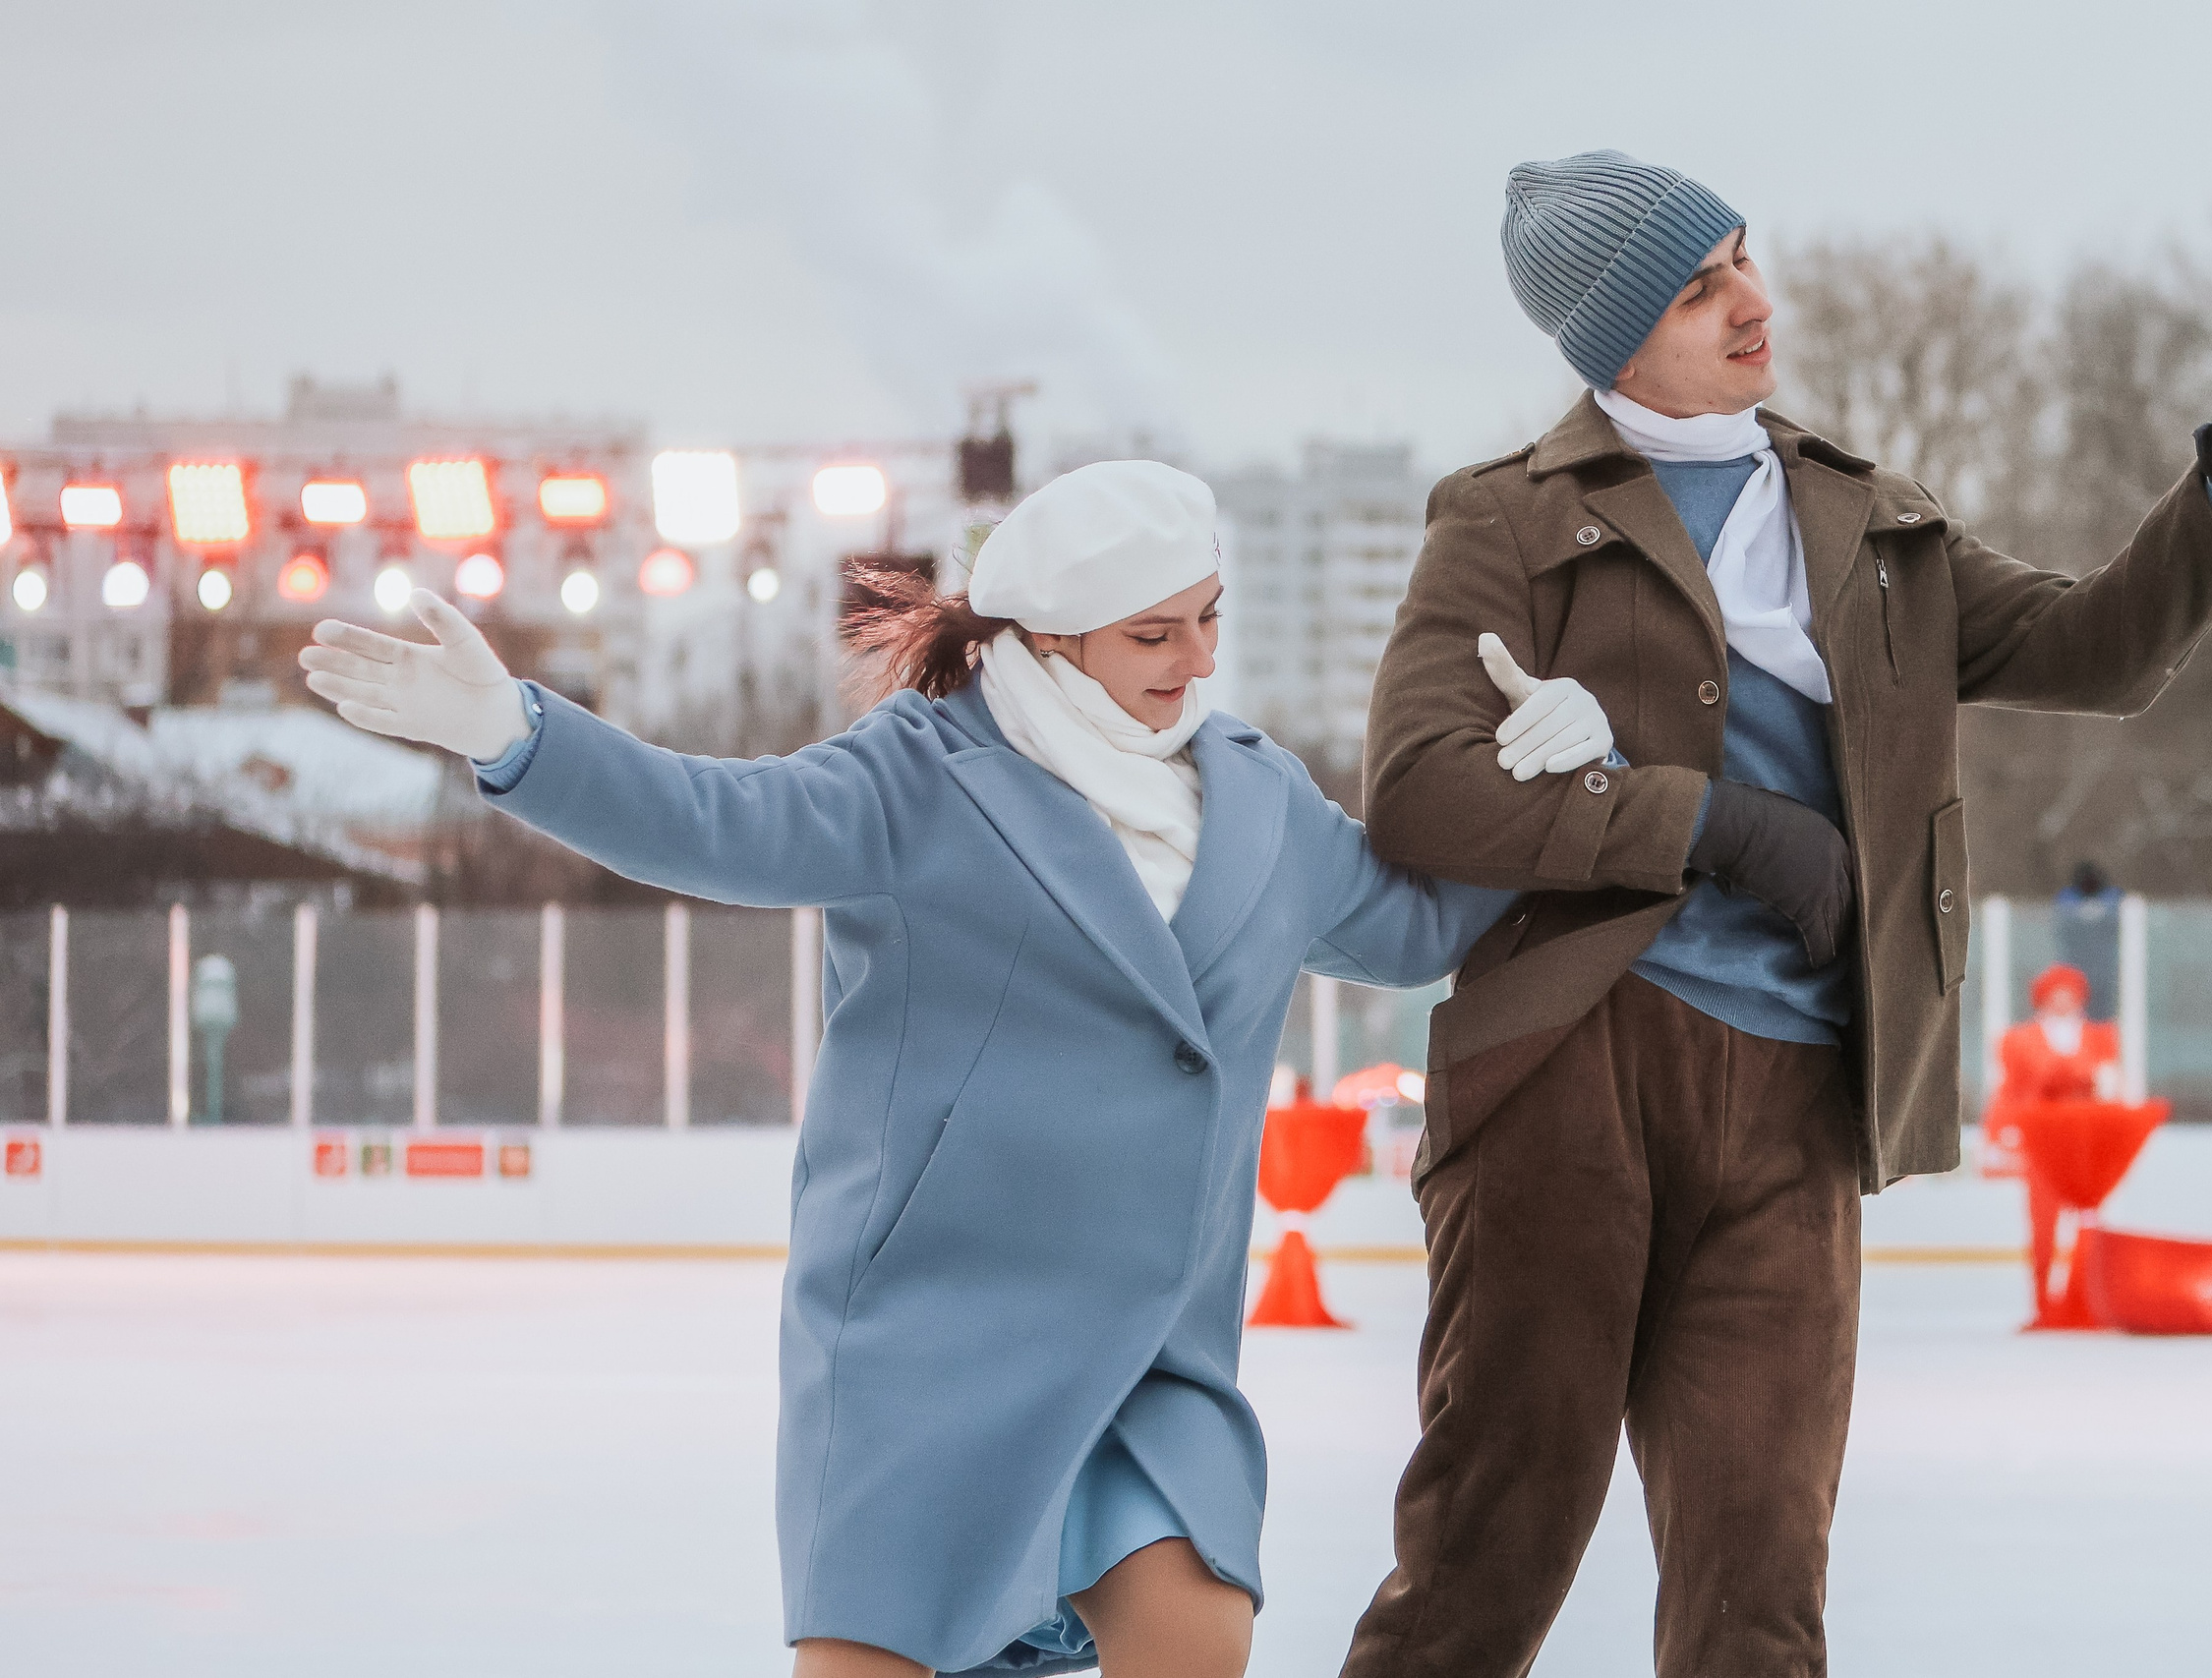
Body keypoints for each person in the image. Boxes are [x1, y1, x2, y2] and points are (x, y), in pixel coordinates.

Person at [295, 461, 1620, 1678]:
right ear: (1050, 639)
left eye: (1210, 617)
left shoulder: (1264, 801)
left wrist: (1555, 776)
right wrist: (517, 733)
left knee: (1197, 1634)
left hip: (1151, 1363)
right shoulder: (922, 778)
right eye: (1155, 634)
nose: (1198, 658)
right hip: (930, 1349)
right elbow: (716, 822)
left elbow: (1417, 926)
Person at [1349, 149, 2212, 1675]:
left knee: (1760, 1600)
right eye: (1700, 287)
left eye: (1745, 258)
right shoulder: (1507, 521)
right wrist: (1705, 821)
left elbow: (2093, 650)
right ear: (1613, 334)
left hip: (1797, 1107)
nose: (1752, 301)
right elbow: (1421, 787)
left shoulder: (1866, 521)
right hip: (1572, 1082)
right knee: (1483, 1570)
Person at [1988, 964, 2124, 1312]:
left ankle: (2086, 1298)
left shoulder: (2101, 1036)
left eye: (2069, 993)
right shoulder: (2019, 1039)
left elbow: (2109, 1087)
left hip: (2085, 1142)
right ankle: (2043, 1302)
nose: (2063, 1000)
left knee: (2088, 1222)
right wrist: (1998, 1134)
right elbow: (2010, 1090)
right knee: (2042, 1223)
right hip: (2042, 1142)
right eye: (2056, 993)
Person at [2053, 859, 2125, 1022]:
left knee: (2106, 1013)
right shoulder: (2066, 898)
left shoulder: (2113, 898)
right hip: (2076, 966)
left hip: (2107, 970)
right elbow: (2063, 928)